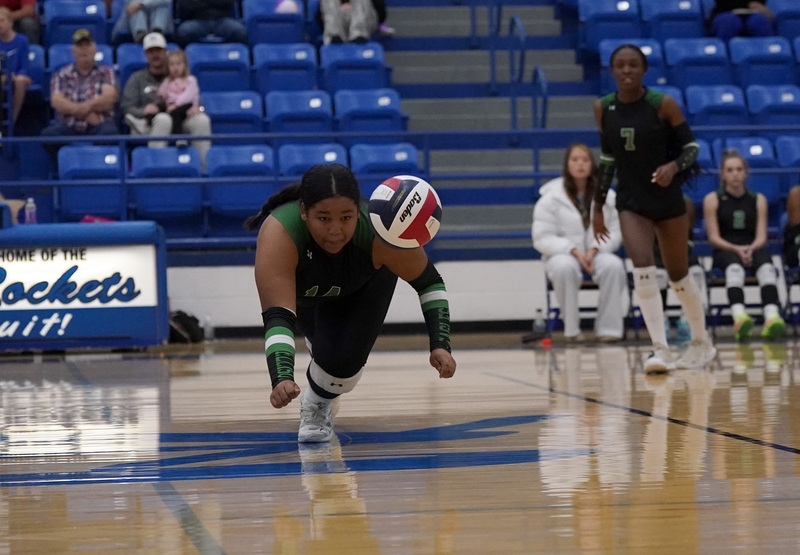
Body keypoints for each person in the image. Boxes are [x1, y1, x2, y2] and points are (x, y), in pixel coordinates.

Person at [245, 163, 456, 442]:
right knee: (327, 356)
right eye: (323, 219)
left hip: (362, 288)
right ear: (304, 212)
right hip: (305, 302)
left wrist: (441, 344)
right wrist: (281, 378)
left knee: (342, 372)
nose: (335, 230)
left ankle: (317, 403)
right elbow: (279, 317)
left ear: (359, 211)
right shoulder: (279, 231)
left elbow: (429, 283)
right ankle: (322, 350)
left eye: (346, 218)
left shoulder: (382, 229)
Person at [592, 44, 715, 373]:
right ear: (612, 70)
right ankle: (658, 349)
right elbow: (607, 159)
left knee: (678, 275)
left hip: (667, 200)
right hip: (631, 201)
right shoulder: (604, 108)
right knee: (643, 269)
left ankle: (702, 343)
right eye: (620, 65)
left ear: (644, 70)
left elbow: (692, 147)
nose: (627, 70)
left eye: (633, 65)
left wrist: (673, 167)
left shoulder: (662, 104)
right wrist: (597, 205)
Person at [532, 143, 629, 343]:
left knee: (614, 266)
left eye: (585, 160)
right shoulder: (550, 198)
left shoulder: (608, 197)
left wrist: (595, 249)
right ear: (567, 164)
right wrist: (572, 250)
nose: (580, 164)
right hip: (564, 254)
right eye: (575, 160)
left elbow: (616, 231)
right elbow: (542, 237)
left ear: (592, 164)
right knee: (563, 268)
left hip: (597, 252)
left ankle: (609, 330)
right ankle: (572, 330)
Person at [703, 149, 785, 341]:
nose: (735, 174)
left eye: (739, 169)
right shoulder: (713, 199)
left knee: (767, 268)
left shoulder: (758, 199)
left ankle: (771, 318)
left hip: (753, 246)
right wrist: (737, 250)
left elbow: (761, 236)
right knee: (734, 269)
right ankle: (739, 317)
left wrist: (750, 249)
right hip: (725, 249)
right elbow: (713, 237)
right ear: (722, 174)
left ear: (746, 173)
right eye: (730, 170)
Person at [121, 32, 211, 166]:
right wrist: (144, 111)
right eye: (151, 51)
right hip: (150, 123)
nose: (155, 55)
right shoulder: (137, 78)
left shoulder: (179, 74)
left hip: (180, 120)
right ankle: (155, 169)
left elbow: (196, 100)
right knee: (163, 119)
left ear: (165, 52)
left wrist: (198, 108)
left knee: (202, 120)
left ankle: (205, 172)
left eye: (158, 50)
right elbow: (126, 107)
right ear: (145, 54)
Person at [40, 29, 119, 170]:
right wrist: (85, 111)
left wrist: (80, 108)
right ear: (73, 51)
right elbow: (56, 101)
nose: (84, 50)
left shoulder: (106, 72)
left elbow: (109, 98)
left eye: (87, 45)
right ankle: (63, 171)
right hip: (70, 126)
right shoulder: (62, 74)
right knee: (48, 135)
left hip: (99, 125)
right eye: (79, 46)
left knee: (110, 133)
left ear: (94, 49)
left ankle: (99, 170)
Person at [655, 195, 708, 345]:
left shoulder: (685, 202)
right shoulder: (649, 203)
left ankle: (687, 321)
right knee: (659, 275)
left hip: (682, 251)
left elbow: (686, 237)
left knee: (696, 272)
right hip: (657, 252)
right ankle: (661, 320)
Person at [0, 7, 31, 128]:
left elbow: (24, 66)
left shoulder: (22, 40)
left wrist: (13, 75)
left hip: (19, 76)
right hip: (3, 76)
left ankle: (11, 122)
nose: (0, 24)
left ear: (10, 22)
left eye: (2, 21)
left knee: (20, 80)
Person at [156, 49, 199, 134]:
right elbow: (163, 94)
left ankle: (179, 138)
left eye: (179, 64)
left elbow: (187, 97)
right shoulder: (167, 81)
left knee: (175, 113)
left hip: (187, 106)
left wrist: (176, 105)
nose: (175, 67)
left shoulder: (190, 80)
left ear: (184, 65)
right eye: (172, 64)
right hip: (171, 107)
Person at [174, 0, 248, 48]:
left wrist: (202, 3)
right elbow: (185, 4)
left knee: (239, 31)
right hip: (198, 21)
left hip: (222, 20)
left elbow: (229, 2)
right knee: (184, 31)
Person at [318, 0, 387, 44]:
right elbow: (320, 15)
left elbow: (381, 12)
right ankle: (334, 37)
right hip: (338, 18)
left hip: (364, 19)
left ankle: (358, 36)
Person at [707, 1, 774, 42]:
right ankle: (725, 60)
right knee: (729, 21)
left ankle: (767, 59)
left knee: (760, 21)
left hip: (753, 12)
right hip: (724, 12)